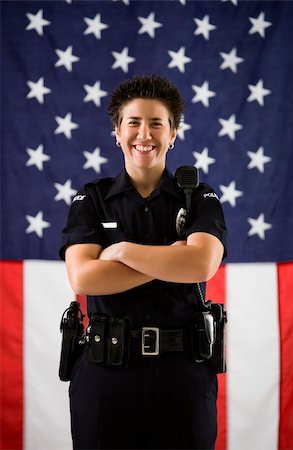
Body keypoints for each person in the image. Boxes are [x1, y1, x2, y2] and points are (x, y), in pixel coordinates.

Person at [59, 74, 227, 450]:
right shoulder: (91, 200)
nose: (144, 134)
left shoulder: (200, 197)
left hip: (183, 375)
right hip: (106, 376)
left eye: (157, 123)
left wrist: (120, 251)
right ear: (117, 132)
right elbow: (84, 277)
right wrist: (171, 260)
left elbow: (201, 264)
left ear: (173, 133)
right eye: (133, 122)